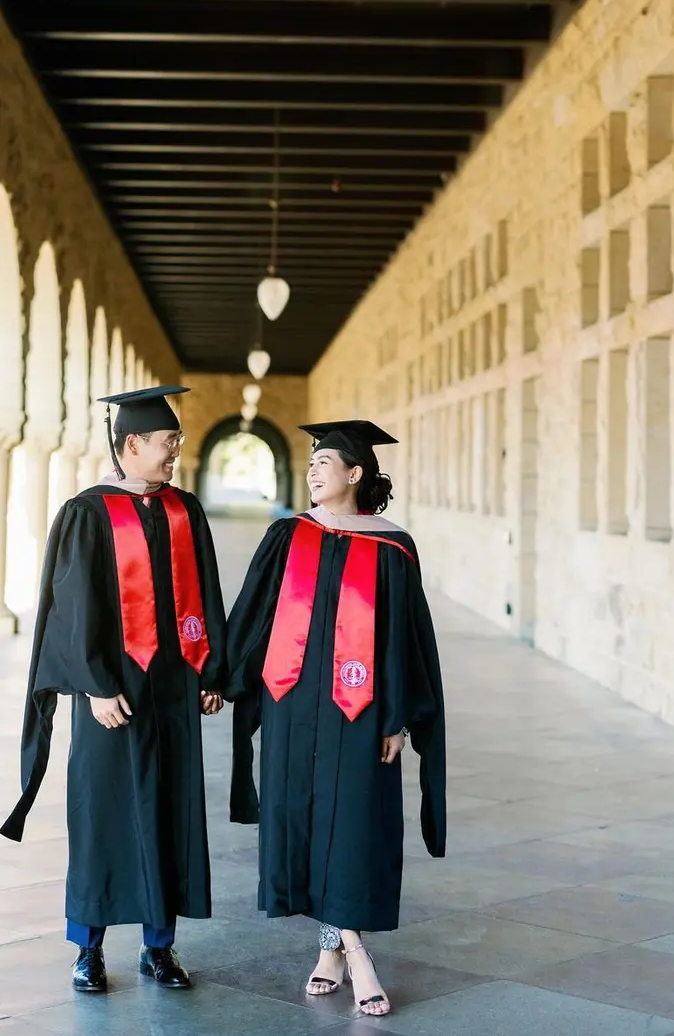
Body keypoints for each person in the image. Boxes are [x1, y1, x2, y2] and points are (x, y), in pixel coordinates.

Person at [0, 385, 226, 993]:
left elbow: (204, 592)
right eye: (167, 442)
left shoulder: (184, 511)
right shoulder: (89, 512)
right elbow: (75, 608)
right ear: (132, 444)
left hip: (173, 690)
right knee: (102, 815)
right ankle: (89, 949)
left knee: (168, 815)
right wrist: (95, 687)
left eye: (176, 442)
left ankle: (160, 947)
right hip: (114, 693)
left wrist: (210, 672)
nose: (175, 452)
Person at [225, 420, 446, 1017]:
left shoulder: (392, 545)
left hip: (361, 709)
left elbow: (407, 641)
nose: (314, 468)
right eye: (312, 460)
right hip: (292, 704)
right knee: (305, 822)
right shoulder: (287, 535)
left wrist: (398, 720)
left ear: (356, 474)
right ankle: (343, 947)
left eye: (327, 461)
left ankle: (344, 951)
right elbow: (252, 613)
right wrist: (222, 678)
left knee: (351, 827)